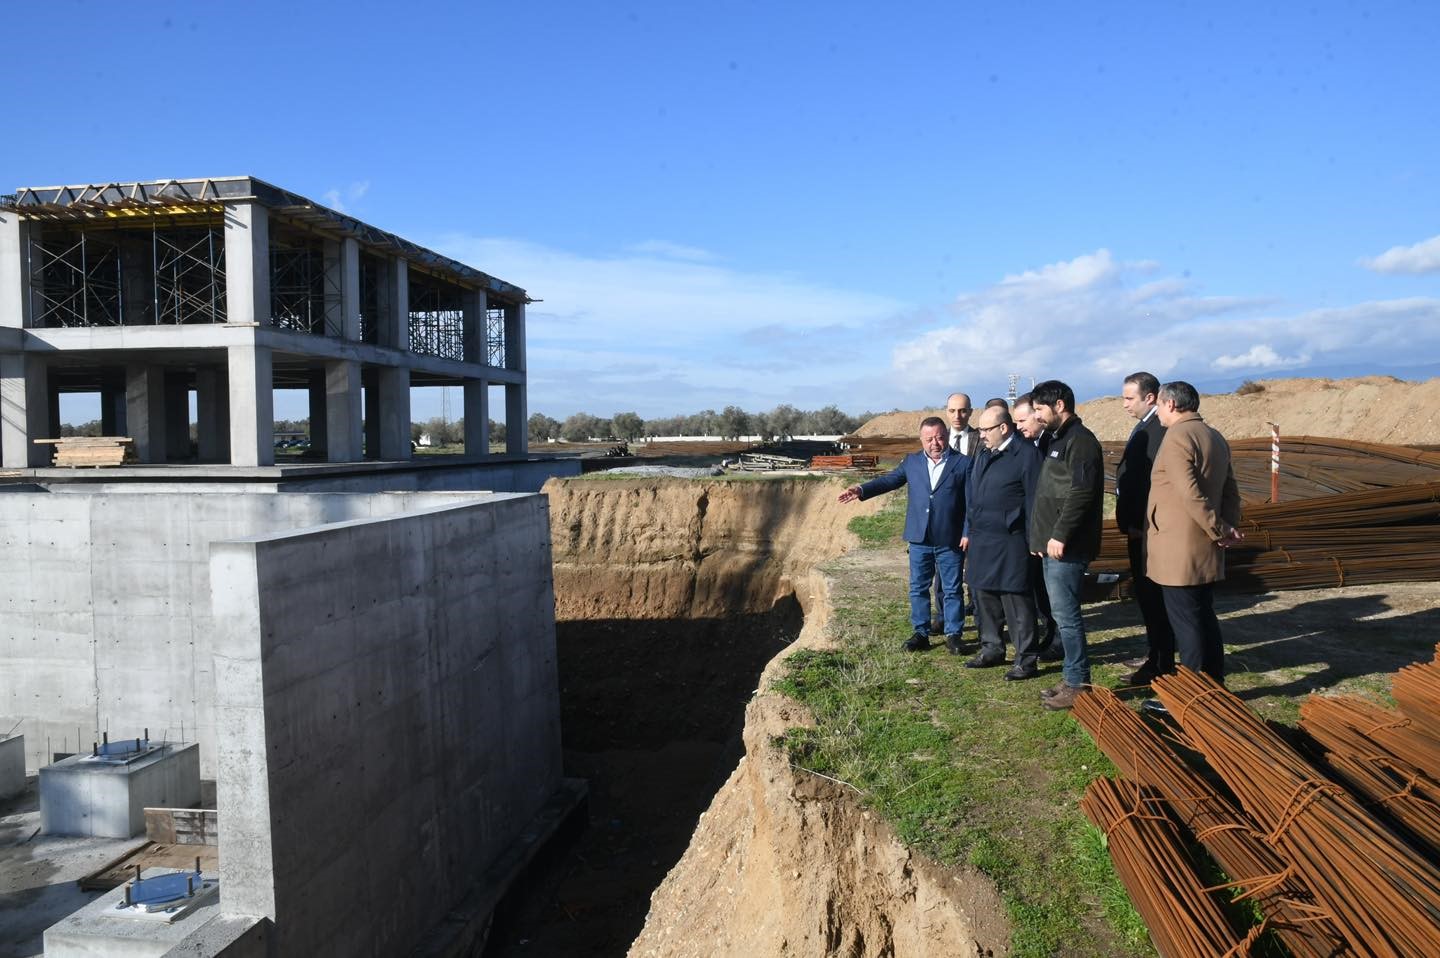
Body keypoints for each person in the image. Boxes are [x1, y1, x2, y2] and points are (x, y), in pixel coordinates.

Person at [839, 416, 970, 652]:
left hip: (950, 539)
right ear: (921, 440)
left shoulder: (963, 463)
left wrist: (967, 531)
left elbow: (971, 501)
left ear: (947, 436)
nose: (935, 443)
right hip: (919, 538)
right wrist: (861, 489)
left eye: (939, 437)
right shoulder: (912, 462)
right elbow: (890, 480)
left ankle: (954, 634)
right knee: (918, 587)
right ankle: (921, 633)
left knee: (952, 589)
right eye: (929, 439)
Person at [1145, 381, 1244, 683]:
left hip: (1179, 549)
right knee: (1203, 616)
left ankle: (1194, 690)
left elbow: (1189, 493)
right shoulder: (1214, 436)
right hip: (1204, 545)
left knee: (1186, 623)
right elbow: (1230, 490)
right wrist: (1227, 526)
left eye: (1159, 405)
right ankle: (1214, 682)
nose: (1157, 411)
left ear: (1171, 404)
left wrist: (1219, 528)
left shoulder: (1177, 436)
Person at [1028, 380, 1104, 710]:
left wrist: (1060, 534)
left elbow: (1081, 493)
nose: (1037, 416)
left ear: (1059, 405)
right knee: (1062, 615)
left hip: (1068, 546)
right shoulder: (1059, 439)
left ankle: (1079, 683)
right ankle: (1071, 676)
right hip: (1053, 544)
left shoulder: (1082, 442)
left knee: (1068, 617)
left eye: (1040, 409)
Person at [961, 406, 1042, 679]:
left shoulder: (1026, 455)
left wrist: (1033, 540)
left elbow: (1034, 500)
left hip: (1012, 540)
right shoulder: (984, 453)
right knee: (984, 596)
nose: (981, 435)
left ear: (1004, 428)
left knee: (1015, 600)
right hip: (983, 537)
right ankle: (992, 648)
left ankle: (1026, 659)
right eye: (981, 429)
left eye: (986, 429)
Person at [1115, 372, 1175, 685]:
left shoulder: (1158, 431)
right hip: (1138, 530)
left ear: (1150, 397)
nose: (1124, 404)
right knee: (1146, 597)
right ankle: (1155, 651)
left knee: (1154, 599)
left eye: (1129, 398)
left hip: (1147, 531)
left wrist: (1140, 523)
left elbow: (1151, 484)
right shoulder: (1146, 426)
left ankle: (1161, 663)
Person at [1012, 393, 1060, 661]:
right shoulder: (1033, 444)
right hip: (1034, 533)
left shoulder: (1052, 444)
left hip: (1051, 534)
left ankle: (1060, 641)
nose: (1019, 427)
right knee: (1041, 591)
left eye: (1022, 420)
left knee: (1055, 594)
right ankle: (1052, 635)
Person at [931, 392, 979, 635]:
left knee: (976, 568)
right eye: (952, 411)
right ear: (946, 412)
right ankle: (942, 616)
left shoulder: (980, 440)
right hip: (946, 517)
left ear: (970, 412)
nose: (957, 416)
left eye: (962, 411)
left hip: (974, 512)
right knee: (944, 571)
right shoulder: (938, 440)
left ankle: (979, 614)